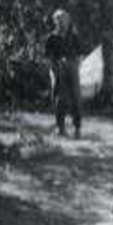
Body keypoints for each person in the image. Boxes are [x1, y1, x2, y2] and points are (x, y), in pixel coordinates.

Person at [45, 9, 85, 138]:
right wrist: (54, 68)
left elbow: (80, 54)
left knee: (76, 97)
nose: (63, 23)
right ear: (55, 22)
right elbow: (48, 57)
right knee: (60, 97)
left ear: (69, 21)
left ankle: (77, 128)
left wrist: (75, 66)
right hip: (58, 66)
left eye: (65, 19)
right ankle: (60, 127)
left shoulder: (73, 37)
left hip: (72, 66)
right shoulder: (51, 38)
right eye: (60, 20)